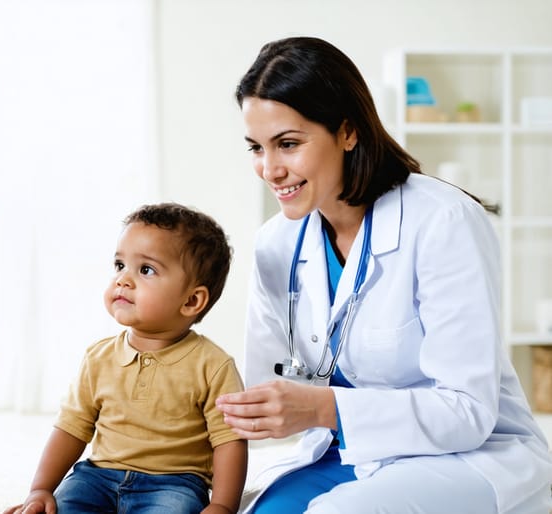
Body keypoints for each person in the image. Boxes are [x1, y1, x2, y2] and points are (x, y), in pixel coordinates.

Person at [214, 36, 552, 514]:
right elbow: (263, 388)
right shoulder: (277, 243)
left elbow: (468, 412)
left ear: (347, 132)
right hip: (343, 452)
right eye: (256, 148)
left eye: (288, 144)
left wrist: (322, 408)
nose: (270, 169)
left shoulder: (443, 221)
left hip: (465, 454)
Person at [6, 202, 248, 514]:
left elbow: (229, 440)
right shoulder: (98, 357)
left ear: (191, 300)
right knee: (63, 506)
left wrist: (223, 505)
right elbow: (71, 427)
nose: (123, 279)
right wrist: (40, 489)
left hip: (173, 484)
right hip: (96, 477)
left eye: (145, 270)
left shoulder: (213, 366)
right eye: (120, 265)